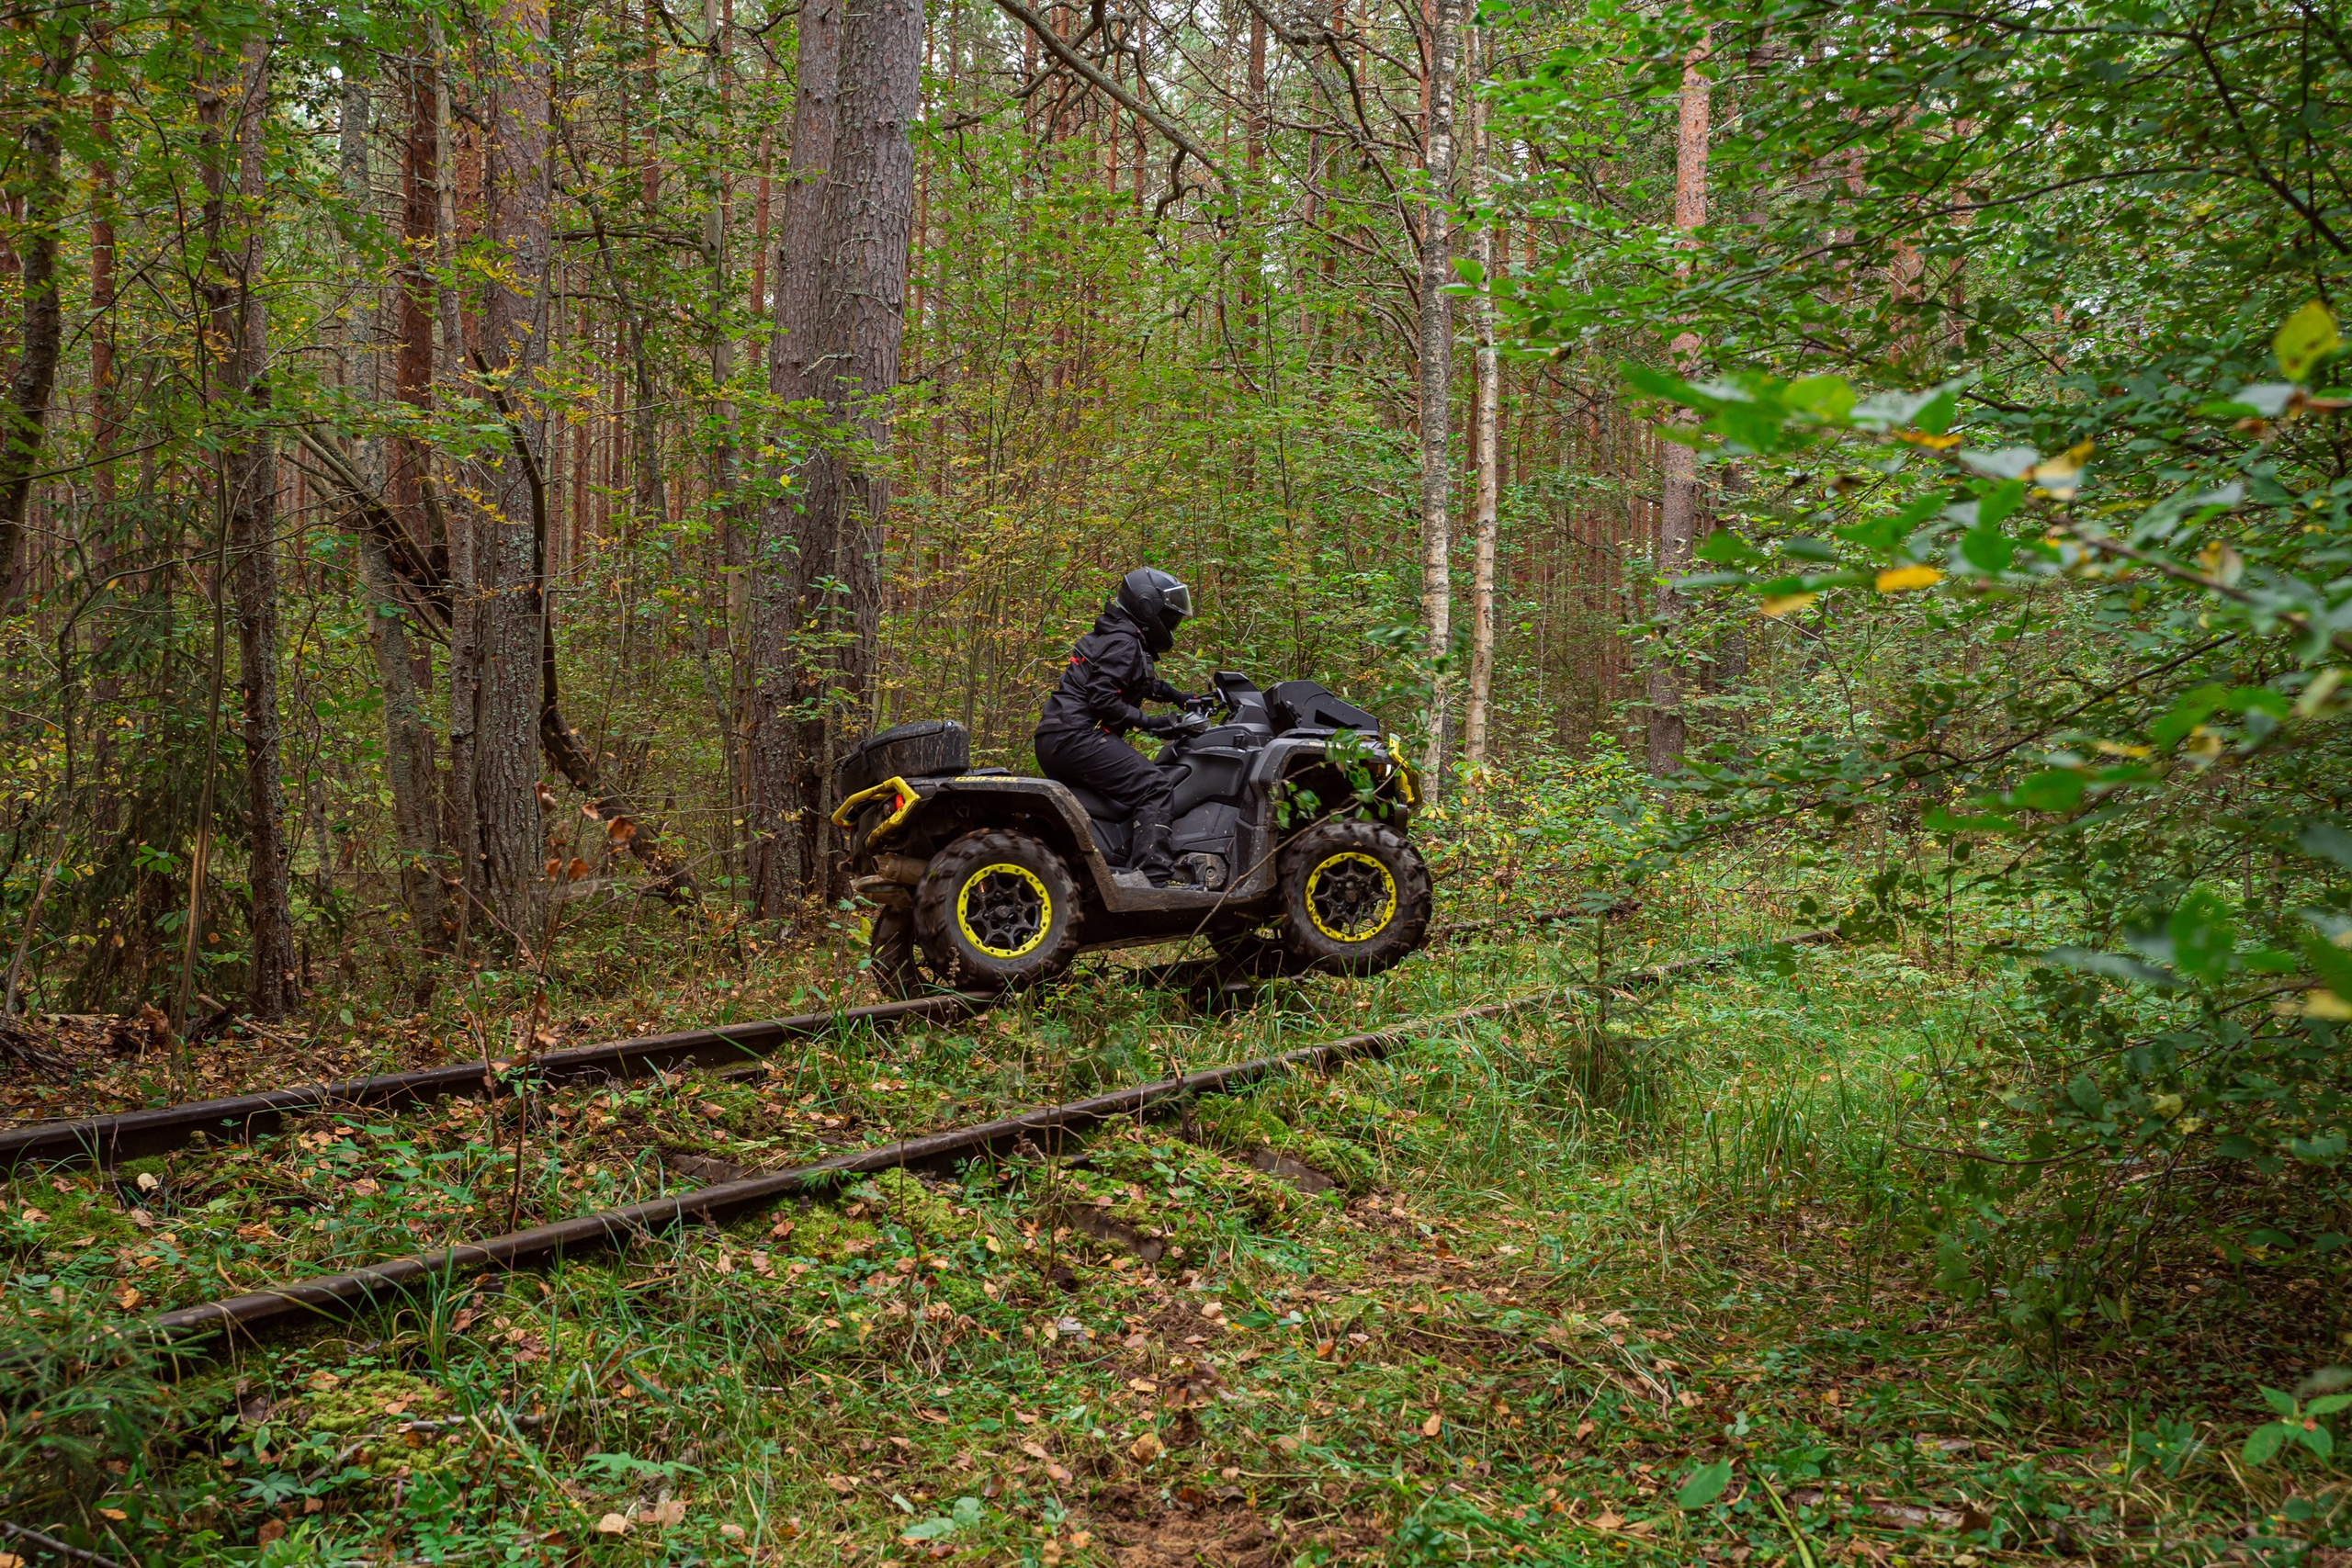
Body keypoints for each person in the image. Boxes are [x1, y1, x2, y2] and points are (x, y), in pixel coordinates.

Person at [1035, 568, 1199, 886]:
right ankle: (1151, 879)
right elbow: (1103, 700)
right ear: (1148, 607)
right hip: (1076, 736)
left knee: (1125, 794)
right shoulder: (1123, 641)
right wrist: (1155, 724)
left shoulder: (1116, 634)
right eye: (1169, 616)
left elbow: (1137, 681)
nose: (1171, 624)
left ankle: (1113, 864)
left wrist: (1179, 697)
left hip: (1058, 736)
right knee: (1155, 786)